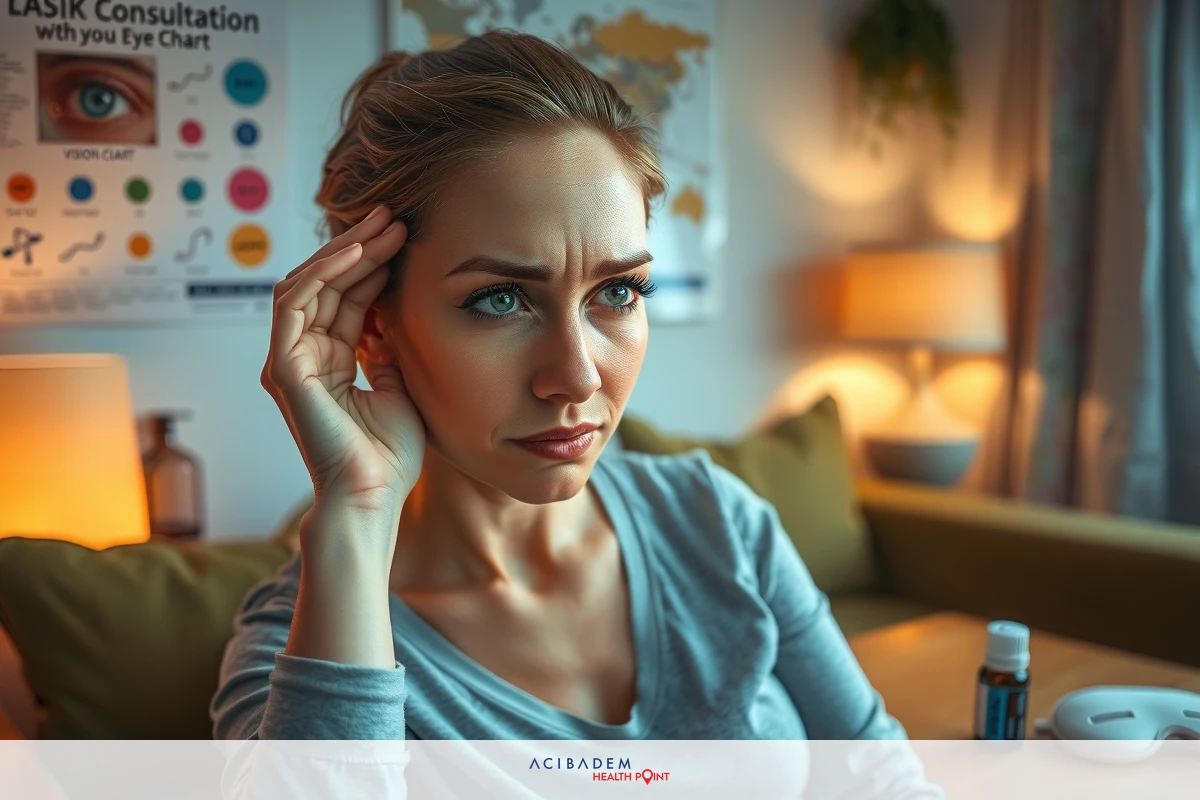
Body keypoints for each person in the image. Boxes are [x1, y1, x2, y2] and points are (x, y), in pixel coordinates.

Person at [210, 30, 906, 743]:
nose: (576, 376)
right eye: (501, 299)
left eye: (619, 291)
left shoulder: (717, 523)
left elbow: (880, 774)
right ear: (374, 325)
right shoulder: (293, 657)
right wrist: (356, 511)